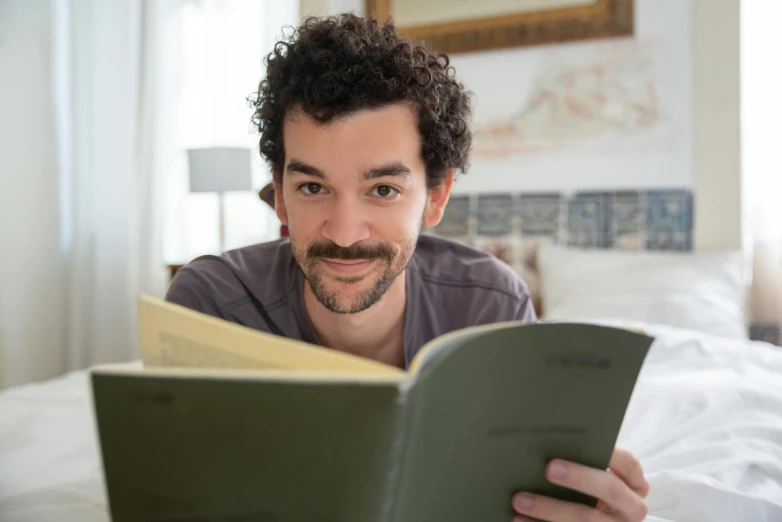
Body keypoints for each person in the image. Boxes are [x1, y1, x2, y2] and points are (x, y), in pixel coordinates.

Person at [166, 14, 649, 522]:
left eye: (383, 190)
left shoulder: (492, 306)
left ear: (435, 198)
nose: (345, 233)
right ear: (281, 198)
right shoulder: (210, 306)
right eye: (312, 187)